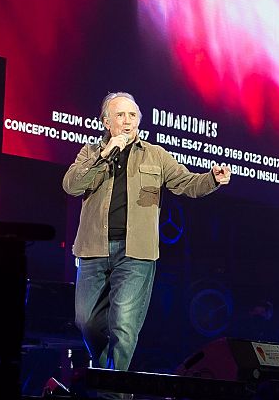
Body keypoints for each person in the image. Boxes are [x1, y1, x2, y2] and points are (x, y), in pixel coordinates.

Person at [63, 91, 231, 375]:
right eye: (120, 115)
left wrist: (212, 179)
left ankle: (113, 393)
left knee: (124, 326)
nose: (127, 121)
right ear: (106, 122)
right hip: (93, 249)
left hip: (136, 254)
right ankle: (111, 379)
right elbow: (71, 186)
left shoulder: (155, 155)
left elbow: (186, 183)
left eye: (132, 115)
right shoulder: (90, 153)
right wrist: (104, 156)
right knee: (86, 322)